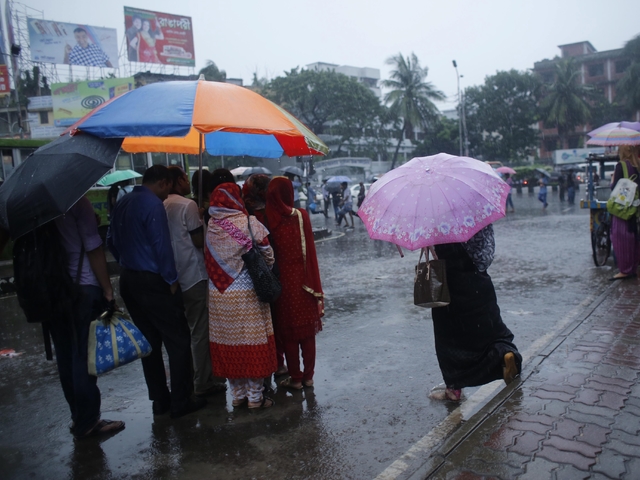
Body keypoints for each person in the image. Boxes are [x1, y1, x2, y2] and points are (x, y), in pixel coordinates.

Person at [107, 165, 206, 418]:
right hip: (152, 280)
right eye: (167, 188)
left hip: (128, 278)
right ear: (162, 183)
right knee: (179, 339)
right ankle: (181, 400)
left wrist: (127, 261)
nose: (167, 194)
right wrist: (171, 279)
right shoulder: (153, 205)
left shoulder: (124, 201)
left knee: (149, 344)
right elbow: (161, 245)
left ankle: (159, 400)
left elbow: (111, 242)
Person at [51, 196, 125, 438]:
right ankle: (89, 421)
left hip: (51, 291)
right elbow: (93, 248)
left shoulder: (35, 207)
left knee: (64, 355)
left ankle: (77, 416)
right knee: (83, 356)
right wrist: (107, 288)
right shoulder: (76, 201)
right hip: (81, 287)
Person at [430, 225, 522, 401]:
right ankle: (504, 354)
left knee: (449, 338)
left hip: (450, 286)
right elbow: (485, 256)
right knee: (492, 330)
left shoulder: (436, 215)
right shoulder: (475, 211)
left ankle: (454, 389)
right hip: (478, 284)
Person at [205, 183, 277, 408]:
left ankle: (237, 396)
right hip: (247, 293)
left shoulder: (210, 225)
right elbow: (267, 254)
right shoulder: (250, 223)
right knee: (251, 341)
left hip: (218, 294)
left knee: (228, 342)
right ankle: (256, 398)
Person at [164, 167, 226, 397]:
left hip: (173, 276)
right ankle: (202, 382)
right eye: (183, 178)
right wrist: (200, 218)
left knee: (183, 332)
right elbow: (199, 241)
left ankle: (187, 379)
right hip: (194, 274)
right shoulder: (187, 205)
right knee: (200, 331)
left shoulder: (162, 204)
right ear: (177, 180)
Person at [265, 177, 324, 390]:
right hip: (304, 281)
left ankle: (296, 378)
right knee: (307, 333)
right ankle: (309, 377)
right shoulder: (301, 216)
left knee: (288, 334)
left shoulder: (267, 219)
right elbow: (310, 251)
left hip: (282, 284)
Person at [609, 145, 640, 281]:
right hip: (634, 207)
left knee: (620, 237)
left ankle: (625, 270)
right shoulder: (637, 166)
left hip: (623, 208)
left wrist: (612, 180)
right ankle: (632, 267)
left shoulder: (621, 166)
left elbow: (615, 188)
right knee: (634, 237)